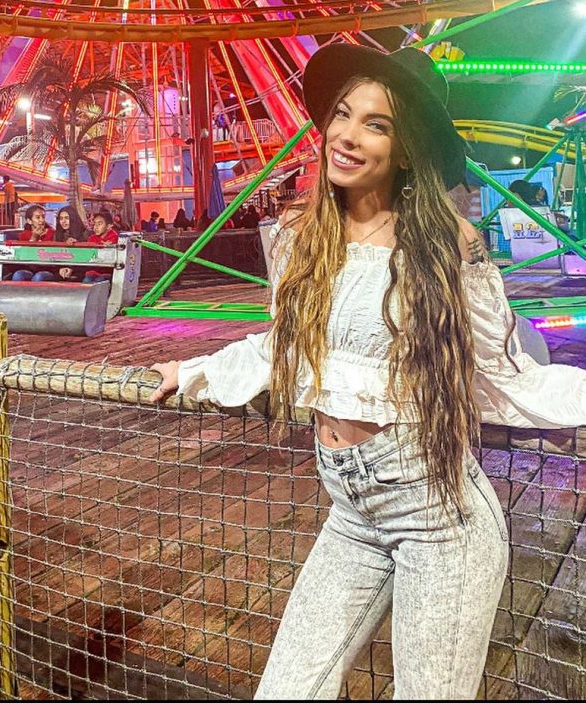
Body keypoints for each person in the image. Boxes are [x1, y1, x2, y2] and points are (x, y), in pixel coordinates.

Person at [150, 45, 586, 700]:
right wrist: (194, 370)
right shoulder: (302, 235)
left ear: (405, 149)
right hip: (351, 514)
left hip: (440, 523)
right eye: (343, 115)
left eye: (375, 125)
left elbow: (507, 373)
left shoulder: (445, 245)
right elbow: (282, 345)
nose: (348, 136)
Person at [12, 205, 56, 283]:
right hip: (29, 268)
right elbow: (24, 254)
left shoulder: (52, 233)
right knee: (18, 275)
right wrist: (34, 238)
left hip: (48, 269)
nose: (42, 220)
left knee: (39, 277)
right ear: (29, 221)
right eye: (38, 217)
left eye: (43, 217)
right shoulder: (24, 235)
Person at [54, 207, 88, 282]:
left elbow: (86, 257)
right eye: (61, 218)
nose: (63, 221)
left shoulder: (85, 234)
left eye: (66, 218)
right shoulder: (57, 235)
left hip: (80, 270)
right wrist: (61, 268)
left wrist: (72, 269)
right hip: (61, 270)